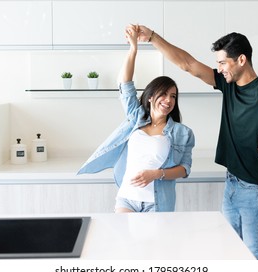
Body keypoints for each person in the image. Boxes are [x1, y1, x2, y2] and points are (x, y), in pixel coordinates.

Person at [135, 25, 258, 260]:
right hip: (231, 184)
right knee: (231, 252)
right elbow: (187, 64)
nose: (219, 69)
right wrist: (151, 37)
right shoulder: (228, 85)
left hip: (255, 190)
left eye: (222, 63)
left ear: (241, 60)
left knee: (255, 255)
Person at [78, 25, 195, 213]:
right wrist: (133, 49)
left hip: (157, 204)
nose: (168, 100)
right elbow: (125, 84)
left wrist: (157, 174)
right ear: (150, 96)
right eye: (163, 94)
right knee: (125, 243)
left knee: (154, 244)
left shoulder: (182, 133)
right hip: (127, 199)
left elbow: (184, 169)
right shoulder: (136, 118)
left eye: (173, 96)